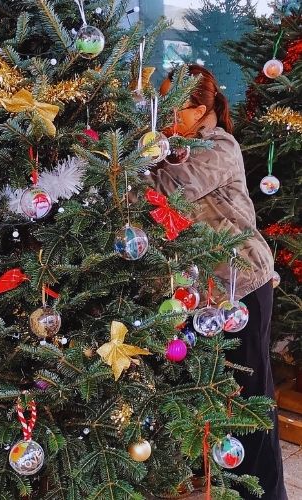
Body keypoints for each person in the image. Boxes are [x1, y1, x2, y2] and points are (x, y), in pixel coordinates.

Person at [151, 65, 287, 500]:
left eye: (180, 105)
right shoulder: (171, 146)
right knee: (210, 396)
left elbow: (167, 189)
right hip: (203, 296)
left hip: (243, 285)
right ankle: (220, 484)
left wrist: (120, 166)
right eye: (165, 103)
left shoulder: (218, 146)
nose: (170, 114)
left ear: (203, 108)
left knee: (249, 400)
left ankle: (266, 494)